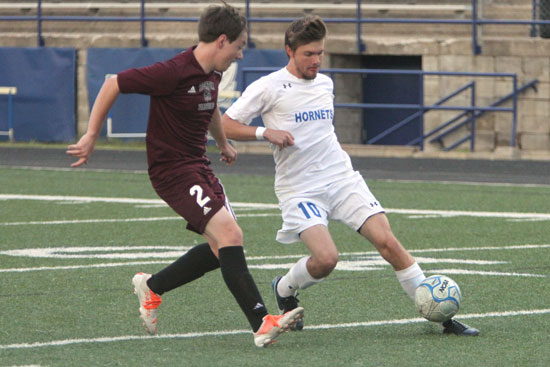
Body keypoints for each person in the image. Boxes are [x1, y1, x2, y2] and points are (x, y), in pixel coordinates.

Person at [221, 15, 479, 336]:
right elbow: (226, 123)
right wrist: (264, 132)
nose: (315, 61)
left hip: (342, 178)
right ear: (289, 50)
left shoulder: (326, 83)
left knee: (388, 243)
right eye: (308, 54)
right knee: (327, 259)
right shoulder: (268, 87)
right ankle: (285, 289)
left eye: (320, 53)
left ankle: (443, 318)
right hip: (299, 188)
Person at [66, 3, 303, 348]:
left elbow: (210, 108)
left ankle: (152, 286)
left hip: (198, 165)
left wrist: (223, 143)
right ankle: (262, 322)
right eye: (238, 46)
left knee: (220, 247)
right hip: (172, 170)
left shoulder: (213, 72)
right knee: (230, 233)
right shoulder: (173, 71)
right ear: (222, 40)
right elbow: (113, 83)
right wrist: (91, 135)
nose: (239, 54)